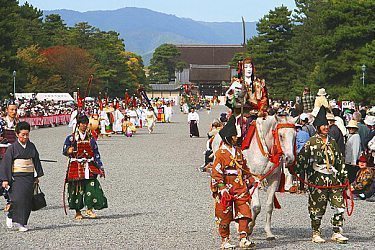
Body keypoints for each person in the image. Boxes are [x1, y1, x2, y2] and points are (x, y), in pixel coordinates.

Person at [293, 106, 349, 244]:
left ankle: (337, 231)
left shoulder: (332, 142)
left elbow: (339, 159)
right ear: (318, 127)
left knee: (339, 205)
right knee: (317, 207)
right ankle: (316, 232)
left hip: (333, 178)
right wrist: (296, 170)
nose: (326, 127)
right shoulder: (311, 142)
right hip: (317, 178)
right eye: (323, 125)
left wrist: (344, 176)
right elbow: (302, 159)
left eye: (327, 125)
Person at [210, 117, 255, 249]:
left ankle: (243, 237)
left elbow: (245, 168)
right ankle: (225, 240)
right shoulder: (220, 153)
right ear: (228, 137)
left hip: (240, 185)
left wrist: (251, 179)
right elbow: (216, 172)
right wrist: (221, 187)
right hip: (226, 185)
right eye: (234, 136)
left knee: (245, 210)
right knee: (224, 213)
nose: (236, 138)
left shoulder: (239, 151)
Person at [0, 121, 44, 231]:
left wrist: (36, 175)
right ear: (17, 134)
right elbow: (6, 163)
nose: (25, 137)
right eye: (23, 134)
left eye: (27, 134)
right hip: (17, 177)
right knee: (18, 199)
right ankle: (13, 217)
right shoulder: (12, 148)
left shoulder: (31, 146)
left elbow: (36, 160)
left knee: (27, 200)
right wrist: (5, 179)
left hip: (28, 176)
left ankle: (22, 223)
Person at [63, 115, 108, 220]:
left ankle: (89, 209)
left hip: (89, 165)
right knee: (76, 188)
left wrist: (100, 167)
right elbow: (65, 150)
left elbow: (96, 153)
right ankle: (78, 212)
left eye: (86, 124)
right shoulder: (71, 138)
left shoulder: (91, 138)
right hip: (76, 165)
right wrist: (68, 151)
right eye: (82, 123)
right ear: (78, 124)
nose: (84, 125)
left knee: (91, 186)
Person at [0, 100, 19, 212]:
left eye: (15, 109)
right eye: (11, 109)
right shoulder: (1, 122)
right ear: (7, 110)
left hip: (13, 153)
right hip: (2, 152)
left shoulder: (18, 123)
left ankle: (10, 200)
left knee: (12, 178)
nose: (14, 111)